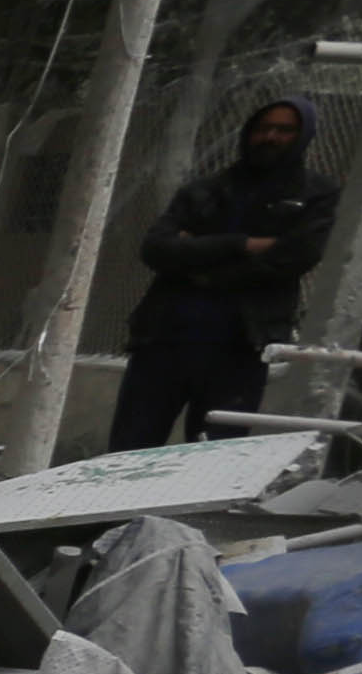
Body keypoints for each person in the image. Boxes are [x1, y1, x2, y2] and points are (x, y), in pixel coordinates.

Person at [112, 96, 340, 452]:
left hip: (240, 347)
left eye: (284, 130)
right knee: (130, 449)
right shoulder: (205, 190)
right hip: (164, 340)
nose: (271, 137)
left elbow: (295, 257)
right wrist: (243, 244)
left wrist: (201, 263)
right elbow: (156, 249)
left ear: (303, 135)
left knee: (213, 455)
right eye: (264, 128)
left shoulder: (316, 196)